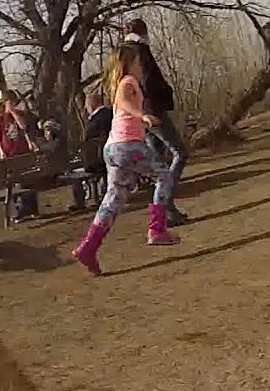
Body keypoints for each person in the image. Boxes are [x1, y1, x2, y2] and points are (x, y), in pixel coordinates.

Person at [72, 44, 180, 276]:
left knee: (114, 200)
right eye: (138, 63)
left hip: (113, 149)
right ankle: (157, 230)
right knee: (164, 176)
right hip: (128, 146)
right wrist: (142, 115)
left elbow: (122, 111)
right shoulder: (128, 82)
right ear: (128, 64)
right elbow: (125, 103)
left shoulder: (121, 85)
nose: (141, 67)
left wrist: (142, 123)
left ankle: (88, 248)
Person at [120, 19, 190, 227]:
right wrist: (166, 92)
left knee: (159, 163)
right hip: (152, 110)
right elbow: (149, 81)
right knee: (180, 152)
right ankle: (165, 204)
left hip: (140, 112)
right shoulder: (140, 51)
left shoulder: (124, 53)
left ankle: (166, 212)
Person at [0, 90, 39, 222]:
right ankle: (19, 211)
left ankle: (32, 210)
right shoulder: (0, 119)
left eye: (14, 102)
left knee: (28, 181)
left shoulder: (20, 114)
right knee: (14, 183)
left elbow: (23, 127)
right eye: (10, 102)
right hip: (9, 154)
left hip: (23, 153)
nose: (13, 104)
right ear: (6, 102)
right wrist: (1, 151)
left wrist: (13, 112)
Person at [68, 92, 113, 211]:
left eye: (87, 106)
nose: (86, 109)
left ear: (92, 105)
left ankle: (79, 202)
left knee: (72, 171)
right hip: (112, 154)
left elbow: (88, 143)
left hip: (96, 161)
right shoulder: (111, 114)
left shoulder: (94, 121)